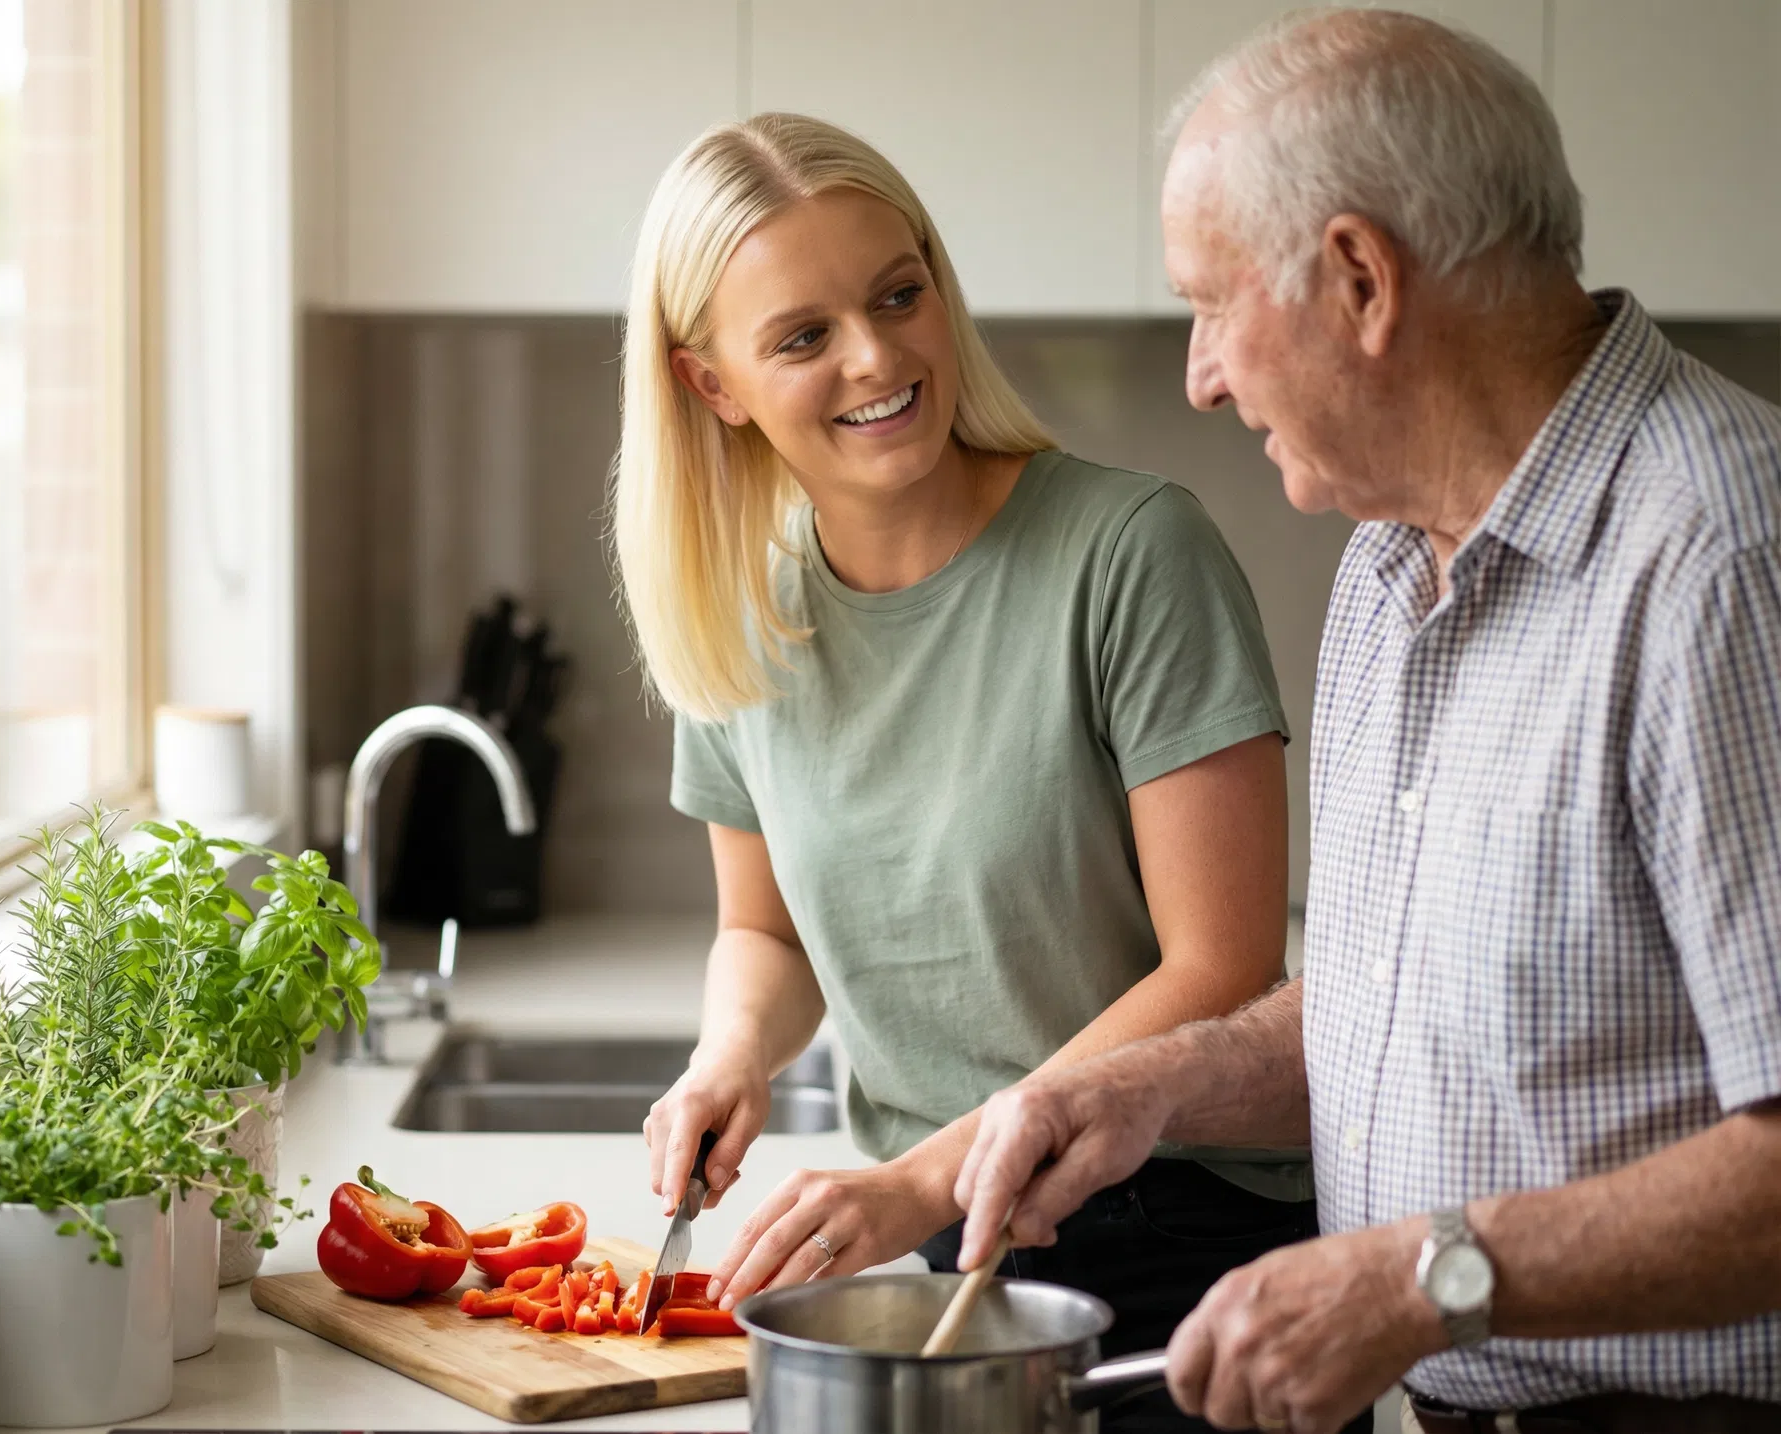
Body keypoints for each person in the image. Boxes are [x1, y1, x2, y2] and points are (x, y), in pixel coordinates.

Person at [951, 10, 1781, 1434]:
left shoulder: (1723, 559)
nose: (1201, 374)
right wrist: (1152, 1090)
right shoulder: (1391, 561)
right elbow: (1403, 1018)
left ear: (1358, 280)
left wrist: (1422, 1278)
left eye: (1213, 304)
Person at [610, 112, 1352, 1432]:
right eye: (802, 335)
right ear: (710, 382)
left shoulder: (1131, 553)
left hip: (1193, 1234)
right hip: (945, 1257)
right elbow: (761, 929)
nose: (880, 356)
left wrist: (921, 1184)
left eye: (902, 295)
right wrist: (733, 1056)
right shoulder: (741, 617)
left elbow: (1220, 966)